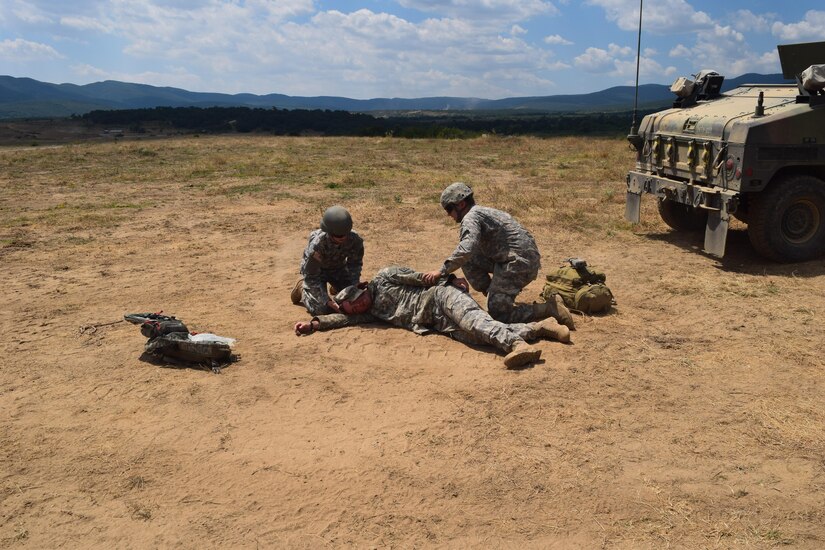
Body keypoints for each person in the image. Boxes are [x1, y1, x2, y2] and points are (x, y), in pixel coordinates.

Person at [294, 266, 571, 369]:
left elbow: (423, 277)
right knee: (478, 335)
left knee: (478, 323)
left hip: (441, 297)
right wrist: (315, 324)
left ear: (362, 288)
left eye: (357, 303)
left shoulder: (385, 277)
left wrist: (451, 279)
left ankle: (517, 346)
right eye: (353, 309)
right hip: (436, 322)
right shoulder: (371, 312)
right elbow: (343, 320)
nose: (358, 309)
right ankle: (540, 327)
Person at [422, 182, 572, 328]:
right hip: (519, 259)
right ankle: (496, 295)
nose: (448, 215)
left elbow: (466, 247)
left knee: (498, 315)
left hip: (518, 264)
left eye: (449, 209)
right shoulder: (483, 211)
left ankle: (548, 309)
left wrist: (441, 271)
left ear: (460, 204)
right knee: (469, 260)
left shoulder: (470, 218)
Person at [292, 205, 364, 316]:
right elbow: (312, 276)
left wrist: (354, 285)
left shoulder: (355, 240)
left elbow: (354, 264)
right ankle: (303, 288)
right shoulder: (317, 245)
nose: (342, 238)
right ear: (329, 232)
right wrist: (327, 301)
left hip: (338, 269)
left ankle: (336, 288)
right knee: (321, 309)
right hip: (316, 274)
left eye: (345, 234)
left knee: (355, 299)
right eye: (338, 236)